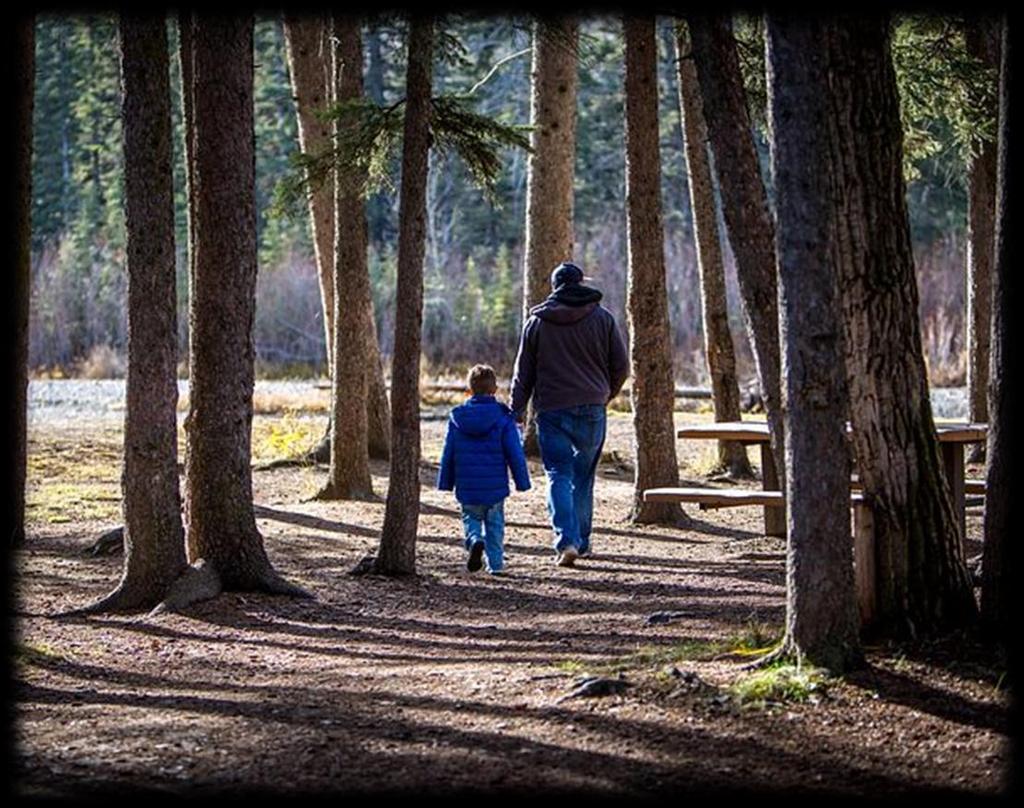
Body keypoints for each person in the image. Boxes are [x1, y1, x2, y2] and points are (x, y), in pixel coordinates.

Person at [510, 261, 629, 567]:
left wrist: (517, 410)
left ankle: (567, 542)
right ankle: (583, 542)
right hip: (592, 407)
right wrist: (605, 394)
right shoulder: (602, 318)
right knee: (584, 477)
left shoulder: (537, 322)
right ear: (580, 283)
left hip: (551, 409)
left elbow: (523, 374)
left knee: (558, 475)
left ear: (555, 287)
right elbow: (621, 366)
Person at [438, 364, 531, 575]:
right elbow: (514, 452)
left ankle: (474, 540)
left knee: (470, 517)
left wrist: (445, 481)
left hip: (467, 484)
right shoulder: (503, 418)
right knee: (495, 525)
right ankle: (496, 565)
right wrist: (522, 481)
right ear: (495, 390)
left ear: (468, 391)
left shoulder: (457, 419)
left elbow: (448, 451)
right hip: (495, 486)